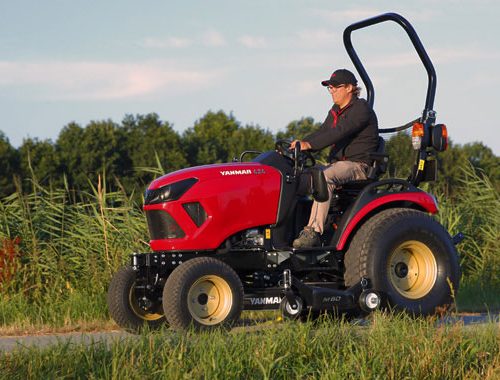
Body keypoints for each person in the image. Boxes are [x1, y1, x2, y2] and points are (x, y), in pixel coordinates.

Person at [291, 68, 379, 248]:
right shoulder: (335, 110)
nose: (331, 91)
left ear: (349, 88)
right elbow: (324, 131)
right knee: (296, 177)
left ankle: (313, 232)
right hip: (339, 165)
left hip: (358, 166)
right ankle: (288, 228)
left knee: (325, 176)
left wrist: (311, 146)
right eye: (329, 88)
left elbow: (339, 132)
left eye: (335, 87)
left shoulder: (361, 109)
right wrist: (301, 144)